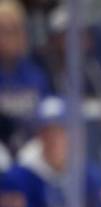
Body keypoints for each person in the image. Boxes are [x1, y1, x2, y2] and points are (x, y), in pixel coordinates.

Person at [4, 96, 101, 207]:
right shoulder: (18, 178)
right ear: (39, 135)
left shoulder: (87, 176)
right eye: (47, 131)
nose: (54, 139)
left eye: (61, 131)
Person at [0, 0, 50, 144]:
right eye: (1, 30)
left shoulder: (38, 72)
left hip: (33, 147)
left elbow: (48, 114)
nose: (5, 39)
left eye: (12, 31)